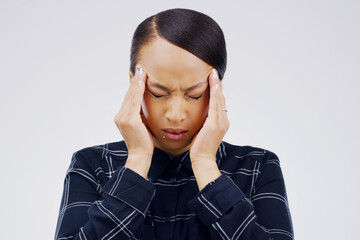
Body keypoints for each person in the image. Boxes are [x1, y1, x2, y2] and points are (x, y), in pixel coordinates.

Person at [54, 8, 294, 240]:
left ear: (216, 89)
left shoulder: (257, 167)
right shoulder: (93, 166)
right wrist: (137, 160)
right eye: (158, 93)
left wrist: (205, 164)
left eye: (195, 94)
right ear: (133, 86)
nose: (176, 114)